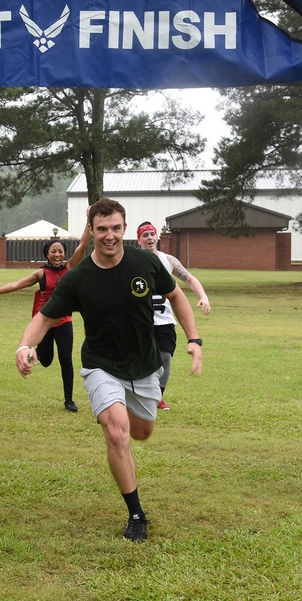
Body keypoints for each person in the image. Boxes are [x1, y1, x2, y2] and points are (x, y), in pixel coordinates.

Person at [15, 198, 202, 543]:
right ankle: (136, 514)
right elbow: (44, 317)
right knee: (117, 432)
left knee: (141, 433)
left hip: (145, 366)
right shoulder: (78, 278)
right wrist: (25, 346)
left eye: (116, 228)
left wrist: (194, 339)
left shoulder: (145, 262)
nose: (110, 236)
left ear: (124, 228)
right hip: (101, 366)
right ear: (91, 230)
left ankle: (123, 421)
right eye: (102, 229)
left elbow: (177, 296)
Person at [0, 218, 91, 412]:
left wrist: (89, 220)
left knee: (66, 359)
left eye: (60, 251)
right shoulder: (41, 274)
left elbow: (83, 244)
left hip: (64, 320)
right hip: (44, 322)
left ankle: (69, 400)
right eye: (53, 251)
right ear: (47, 254)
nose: (57, 254)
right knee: (46, 361)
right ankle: (37, 352)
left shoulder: (69, 268)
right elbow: (16, 285)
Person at [136, 221, 211, 411]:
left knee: (165, 358)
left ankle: (158, 398)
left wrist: (203, 296)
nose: (150, 238)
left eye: (152, 234)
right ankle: (137, 394)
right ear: (139, 240)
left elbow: (189, 278)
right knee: (141, 360)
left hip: (165, 321)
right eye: (145, 235)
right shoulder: (132, 261)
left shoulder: (168, 261)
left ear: (157, 237)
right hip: (140, 321)